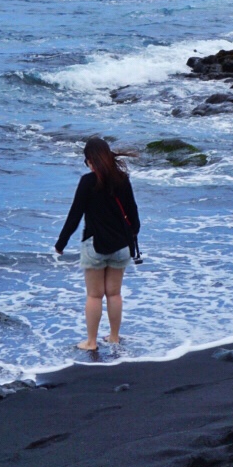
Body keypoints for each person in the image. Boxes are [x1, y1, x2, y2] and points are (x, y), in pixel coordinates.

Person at [54, 137, 140, 351]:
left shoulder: (87, 182)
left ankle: (91, 342)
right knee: (114, 293)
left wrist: (61, 243)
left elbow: (74, 216)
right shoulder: (122, 179)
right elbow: (134, 215)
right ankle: (114, 337)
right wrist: (131, 235)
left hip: (95, 246)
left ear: (91, 160)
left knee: (94, 295)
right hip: (121, 246)